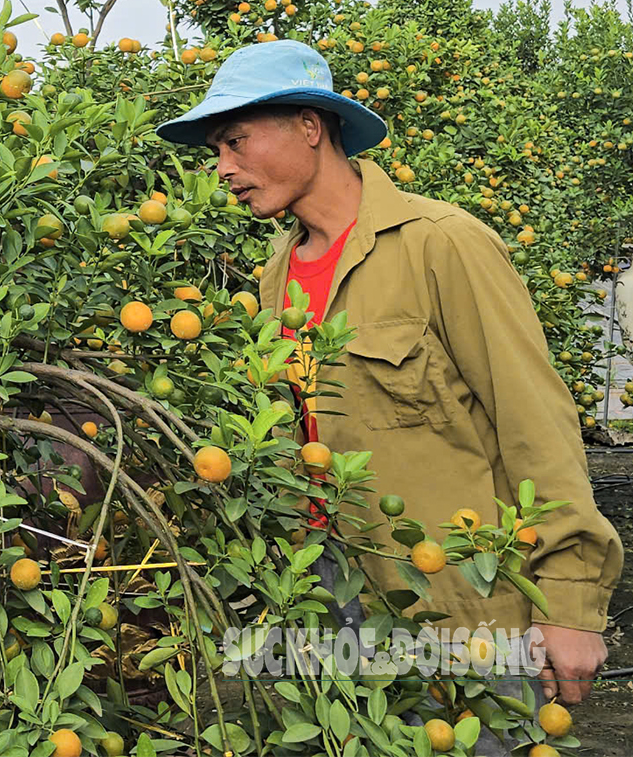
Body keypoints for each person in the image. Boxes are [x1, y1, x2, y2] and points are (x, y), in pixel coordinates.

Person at [158, 39, 621, 714]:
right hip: (329, 600)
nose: (223, 168)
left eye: (234, 141)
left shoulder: (443, 243)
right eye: (216, 152)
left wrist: (574, 603)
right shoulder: (275, 272)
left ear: (310, 127)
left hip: (459, 611)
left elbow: (536, 424)